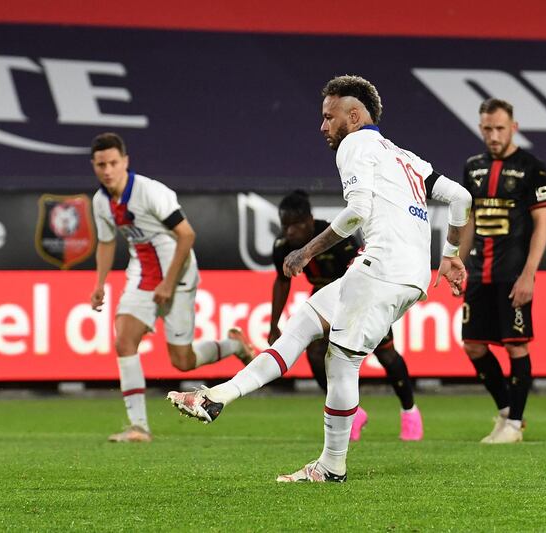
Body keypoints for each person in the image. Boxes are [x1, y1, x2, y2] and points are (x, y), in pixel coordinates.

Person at [169, 75, 471, 482]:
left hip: (383, 268)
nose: (323, 126)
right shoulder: (404, 157)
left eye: (329, 117)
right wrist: (450, 254)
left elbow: (357, 211)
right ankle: (215, 396)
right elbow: (461, 198)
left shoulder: (355, 144)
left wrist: (306, 250)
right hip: (407, 273)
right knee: (300, 327)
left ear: (354, 114)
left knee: (342, 364)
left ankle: (331, 467)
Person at [89, 132, 256, 443]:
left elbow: (187, 235)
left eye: (113, 163)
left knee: (182, 362)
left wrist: (168, 282)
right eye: (101, 164)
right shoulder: (100, 201)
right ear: (94, 166)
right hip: (142, 274)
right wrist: (99, 284)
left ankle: (234, 346)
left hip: (177, 274)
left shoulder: (151, 192)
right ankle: (139, 427)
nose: (107, 170)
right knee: (124, 340)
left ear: (125, 162)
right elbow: (106, 241)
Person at [270, 190, 423, 441]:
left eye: (295, 225)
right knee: (316, 355)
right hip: (324, 299)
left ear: (309, 220)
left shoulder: (339, 239)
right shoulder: (283, 247)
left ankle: (410, 412)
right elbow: (282, 282)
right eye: (285, 226)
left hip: (362, 292)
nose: (289, 232)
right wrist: (273, 323)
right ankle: (352, 413)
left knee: (386, 353)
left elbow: (361, 273)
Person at [459, 98, 546, 444]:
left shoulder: (532, 167)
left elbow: (542, 224)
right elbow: (469, 221)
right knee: (473, 346)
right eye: (487, 128)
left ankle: (515, 423)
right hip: (479, 272)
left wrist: (530, 273)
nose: (493, 135)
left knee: (516, 346)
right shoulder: (473, 166)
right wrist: (457, 260)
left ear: (513, 127)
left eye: (499, 128)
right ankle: (504, 412)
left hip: (513, 273)